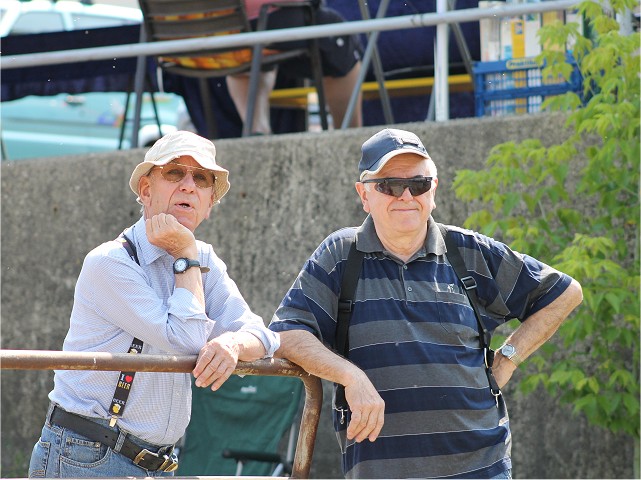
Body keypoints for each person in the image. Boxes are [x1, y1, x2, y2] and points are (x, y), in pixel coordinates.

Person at [269, 128, 584, 478]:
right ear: (364, 194)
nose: (406, 195)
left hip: (482, 468)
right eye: (389, 185)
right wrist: (350, 376)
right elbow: (286, 332)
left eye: (418, 184)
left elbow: (564, 293)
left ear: (433, 190)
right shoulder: (340, 256)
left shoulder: (469, 252)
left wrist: (507, 360)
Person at [28, 130, 280, 478]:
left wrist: (232, 343)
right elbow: (186, 341)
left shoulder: (204, 258)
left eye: (202, 179)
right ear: (146, 191)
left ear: (208, 204)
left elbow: (263, 336)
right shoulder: (111, 261)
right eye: (175, 172)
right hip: (86, 455)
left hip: (157, 464)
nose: (189, 186)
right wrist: (185, 256)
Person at [226, 0, 363, 134]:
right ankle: (349, 134)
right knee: (337, 34)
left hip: (222, 32)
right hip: (271, 19)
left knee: (251, 59)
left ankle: (257, 130)